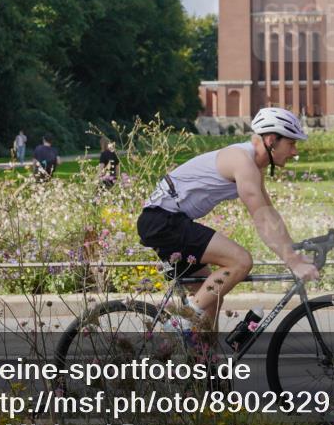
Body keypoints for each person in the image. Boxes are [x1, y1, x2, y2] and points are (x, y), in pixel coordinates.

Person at [136, 107, 320, 328]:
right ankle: (181, 322)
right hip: (163, 221)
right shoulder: (241, 161)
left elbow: (269, 214)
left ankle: (203, 360)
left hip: (170, 221)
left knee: (212, 300)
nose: (294, 151)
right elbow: (260, 219)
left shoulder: (253, 166)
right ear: (271, 140)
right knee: (241, 261)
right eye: (291, 144)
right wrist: (291, 260)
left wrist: (292, 252)